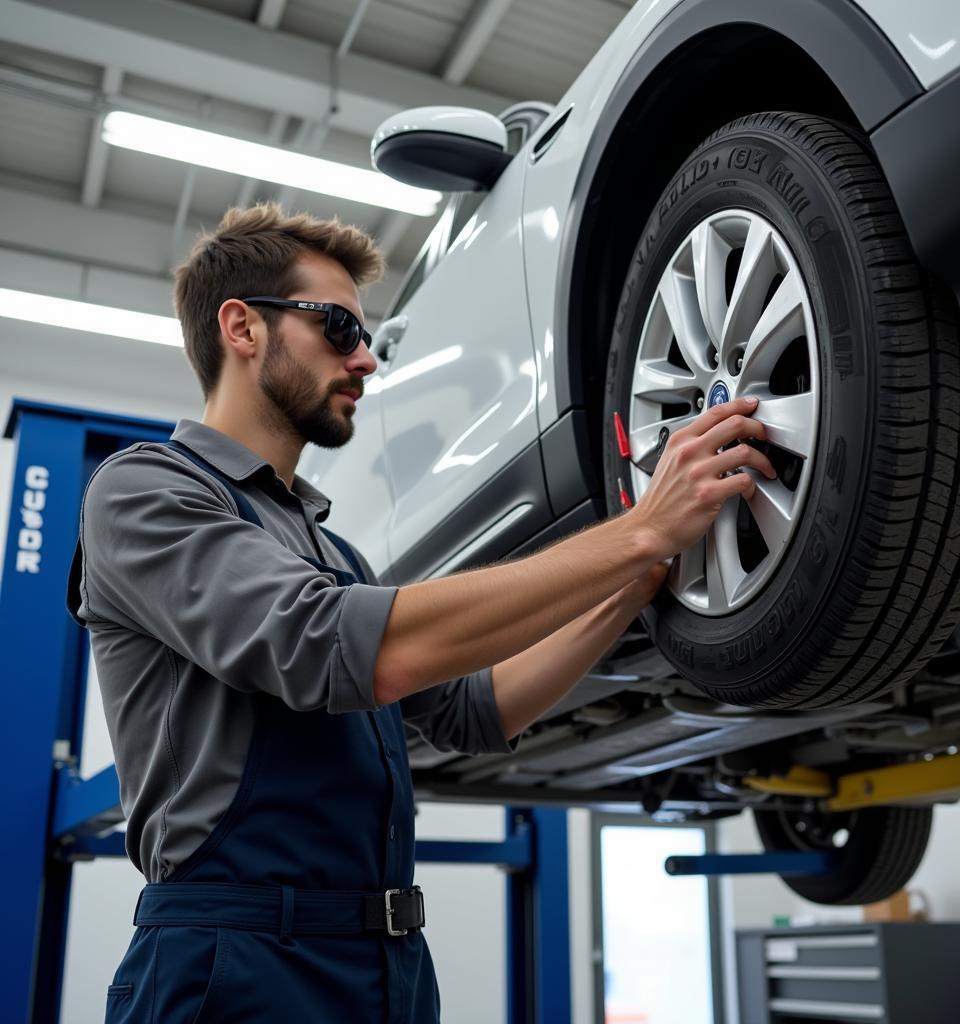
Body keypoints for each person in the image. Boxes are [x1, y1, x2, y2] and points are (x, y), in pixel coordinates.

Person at [67, 202, 774, 1023]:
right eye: (337, 326)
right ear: (242, 328)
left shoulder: (339, 557)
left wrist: (636, 579)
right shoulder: (146, 491)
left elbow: (476, 710)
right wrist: (638, 527)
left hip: (389, 968)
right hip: (237, 964)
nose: (365, 358)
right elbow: (328, 644)